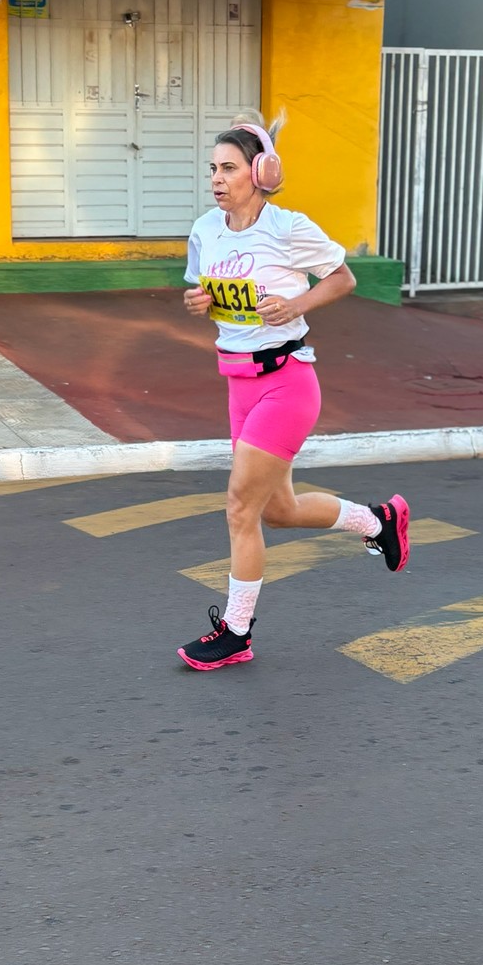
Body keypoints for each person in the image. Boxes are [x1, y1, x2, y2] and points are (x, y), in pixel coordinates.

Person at [177, 113, 410, 671]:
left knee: (240, 507)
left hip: (287, 382)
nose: (217, 178)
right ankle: (379, 521)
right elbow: (202, 288)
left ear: (261, 172)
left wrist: (295, 305)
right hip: (237, 382)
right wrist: (199, 303)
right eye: (213, 168)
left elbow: (343, 277)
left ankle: (237, 631)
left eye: (229, 168)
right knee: (277, 510)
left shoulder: (287, 227)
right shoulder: (205, 229)